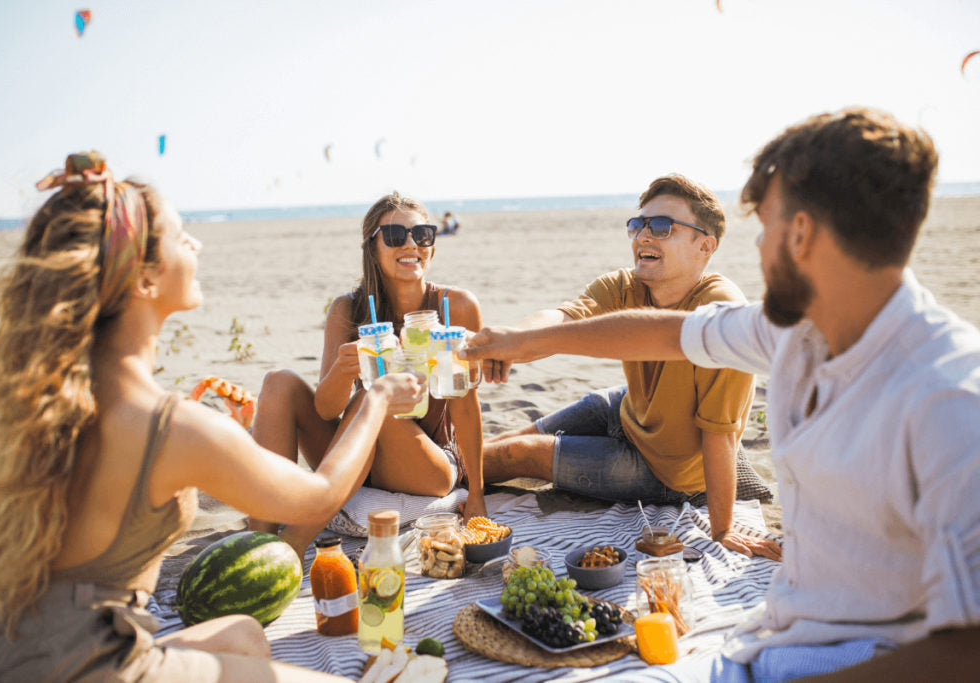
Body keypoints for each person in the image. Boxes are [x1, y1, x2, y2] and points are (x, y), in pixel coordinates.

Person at [462, 108, 980, 679]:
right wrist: (520, 339)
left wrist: (724, 527)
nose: (758, 249)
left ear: (801, 234)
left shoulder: (949, 401)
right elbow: (658, 331)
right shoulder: (792, 332)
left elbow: (965, 649)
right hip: (766, 636)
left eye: (765, 228)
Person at [0, 152, 423, 681]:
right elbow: (319, 495)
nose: (196, 245)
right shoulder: (171, 426)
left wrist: (240, 435)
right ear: (144, 280)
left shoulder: (57, 397)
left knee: (245, 636)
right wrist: (378, 396)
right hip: (87, 667)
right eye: (182, 238)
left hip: (6, 660)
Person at [483, 174, 780, 561]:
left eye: (662, 227)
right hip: (626, 409)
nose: (643, 237)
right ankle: (434, 462)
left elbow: (720, 435)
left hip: (665, 469)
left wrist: (722, 529)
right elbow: (566, 317)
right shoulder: (626, 286)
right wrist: (510, 338)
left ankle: (428, 469)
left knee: (519, 453)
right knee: (500, 444)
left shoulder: (720, 316)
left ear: (705, 246)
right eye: (638, 225)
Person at [250, 191, 487, 533]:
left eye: (422, 235)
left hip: (428, 462)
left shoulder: (457, 306)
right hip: (360, 451)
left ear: (432, 246)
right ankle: (260, 535)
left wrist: (477, 494)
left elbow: (467, 406)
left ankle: (297, 540)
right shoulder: (348, 310)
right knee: (279, 382)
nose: (411, 245)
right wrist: (343, 371)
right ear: (373, 249)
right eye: (394, 236)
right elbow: (327, 410)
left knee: (373, 399)